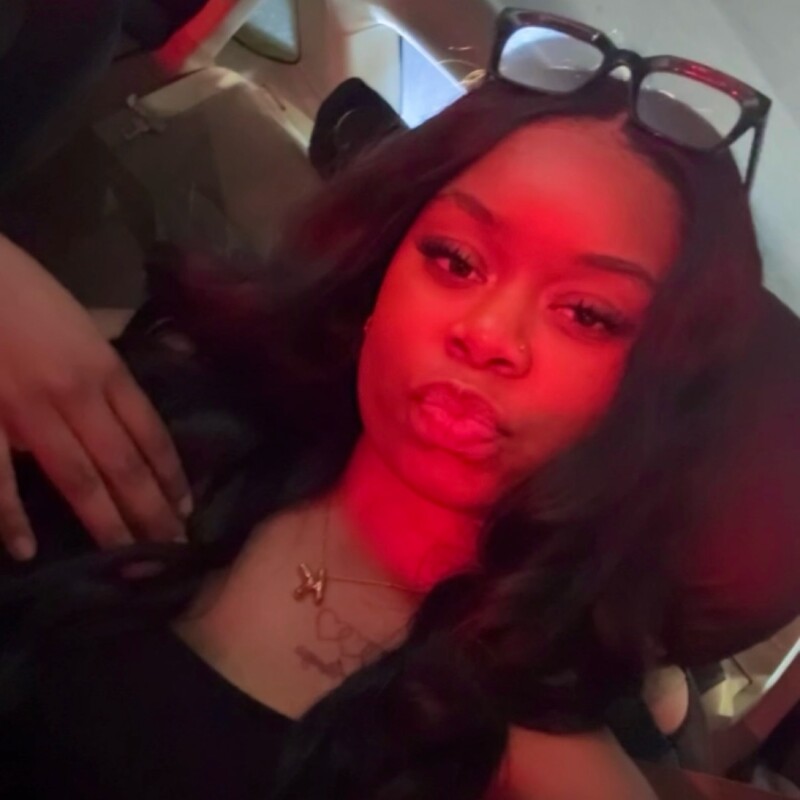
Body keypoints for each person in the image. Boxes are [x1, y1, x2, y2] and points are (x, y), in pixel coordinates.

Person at [0, 10, 783, 798]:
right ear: (382, 266)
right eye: (456, 260)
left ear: (650, 394)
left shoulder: (529, 752)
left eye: (586, 314)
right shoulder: (156, 381)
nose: (487, 334)